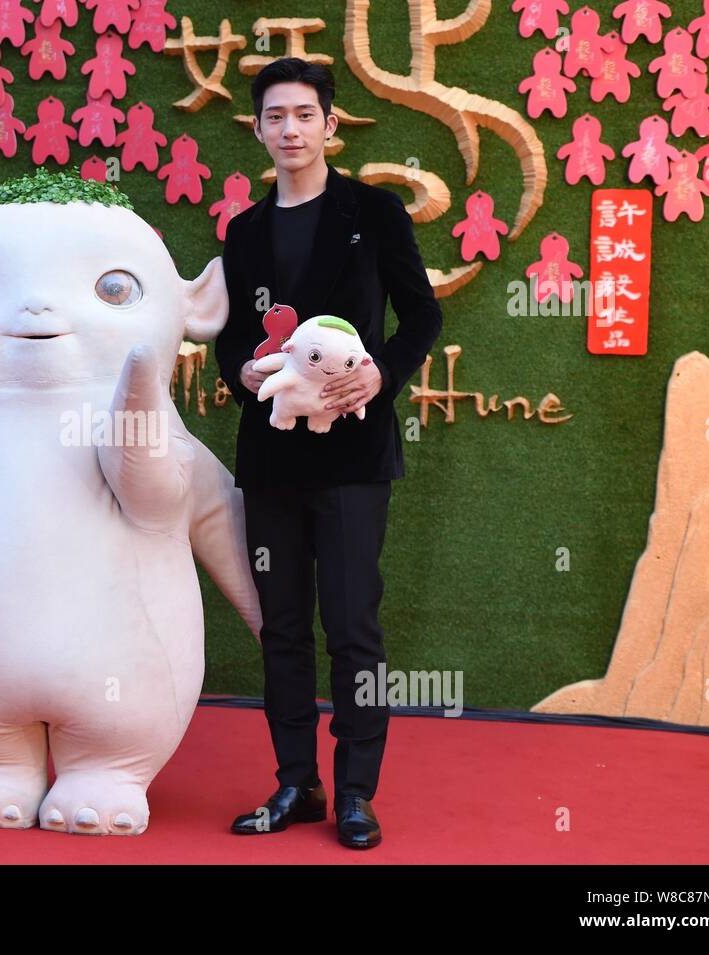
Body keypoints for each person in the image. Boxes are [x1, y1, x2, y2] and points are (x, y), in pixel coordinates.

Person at [216, 57, 443, 847]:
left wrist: (381, 373)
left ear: (330, 125)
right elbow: (231, 344)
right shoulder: (243, 231)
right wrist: (242, 372)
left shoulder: (373, 212)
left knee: (352, 625)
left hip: (352, 457)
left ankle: (355, 791)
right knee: (281, 625)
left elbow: (420, 318)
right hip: (272, 457)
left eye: (304, 115)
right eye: (275, 116)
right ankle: (294, 784)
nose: (290, 129)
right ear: (258, 129)